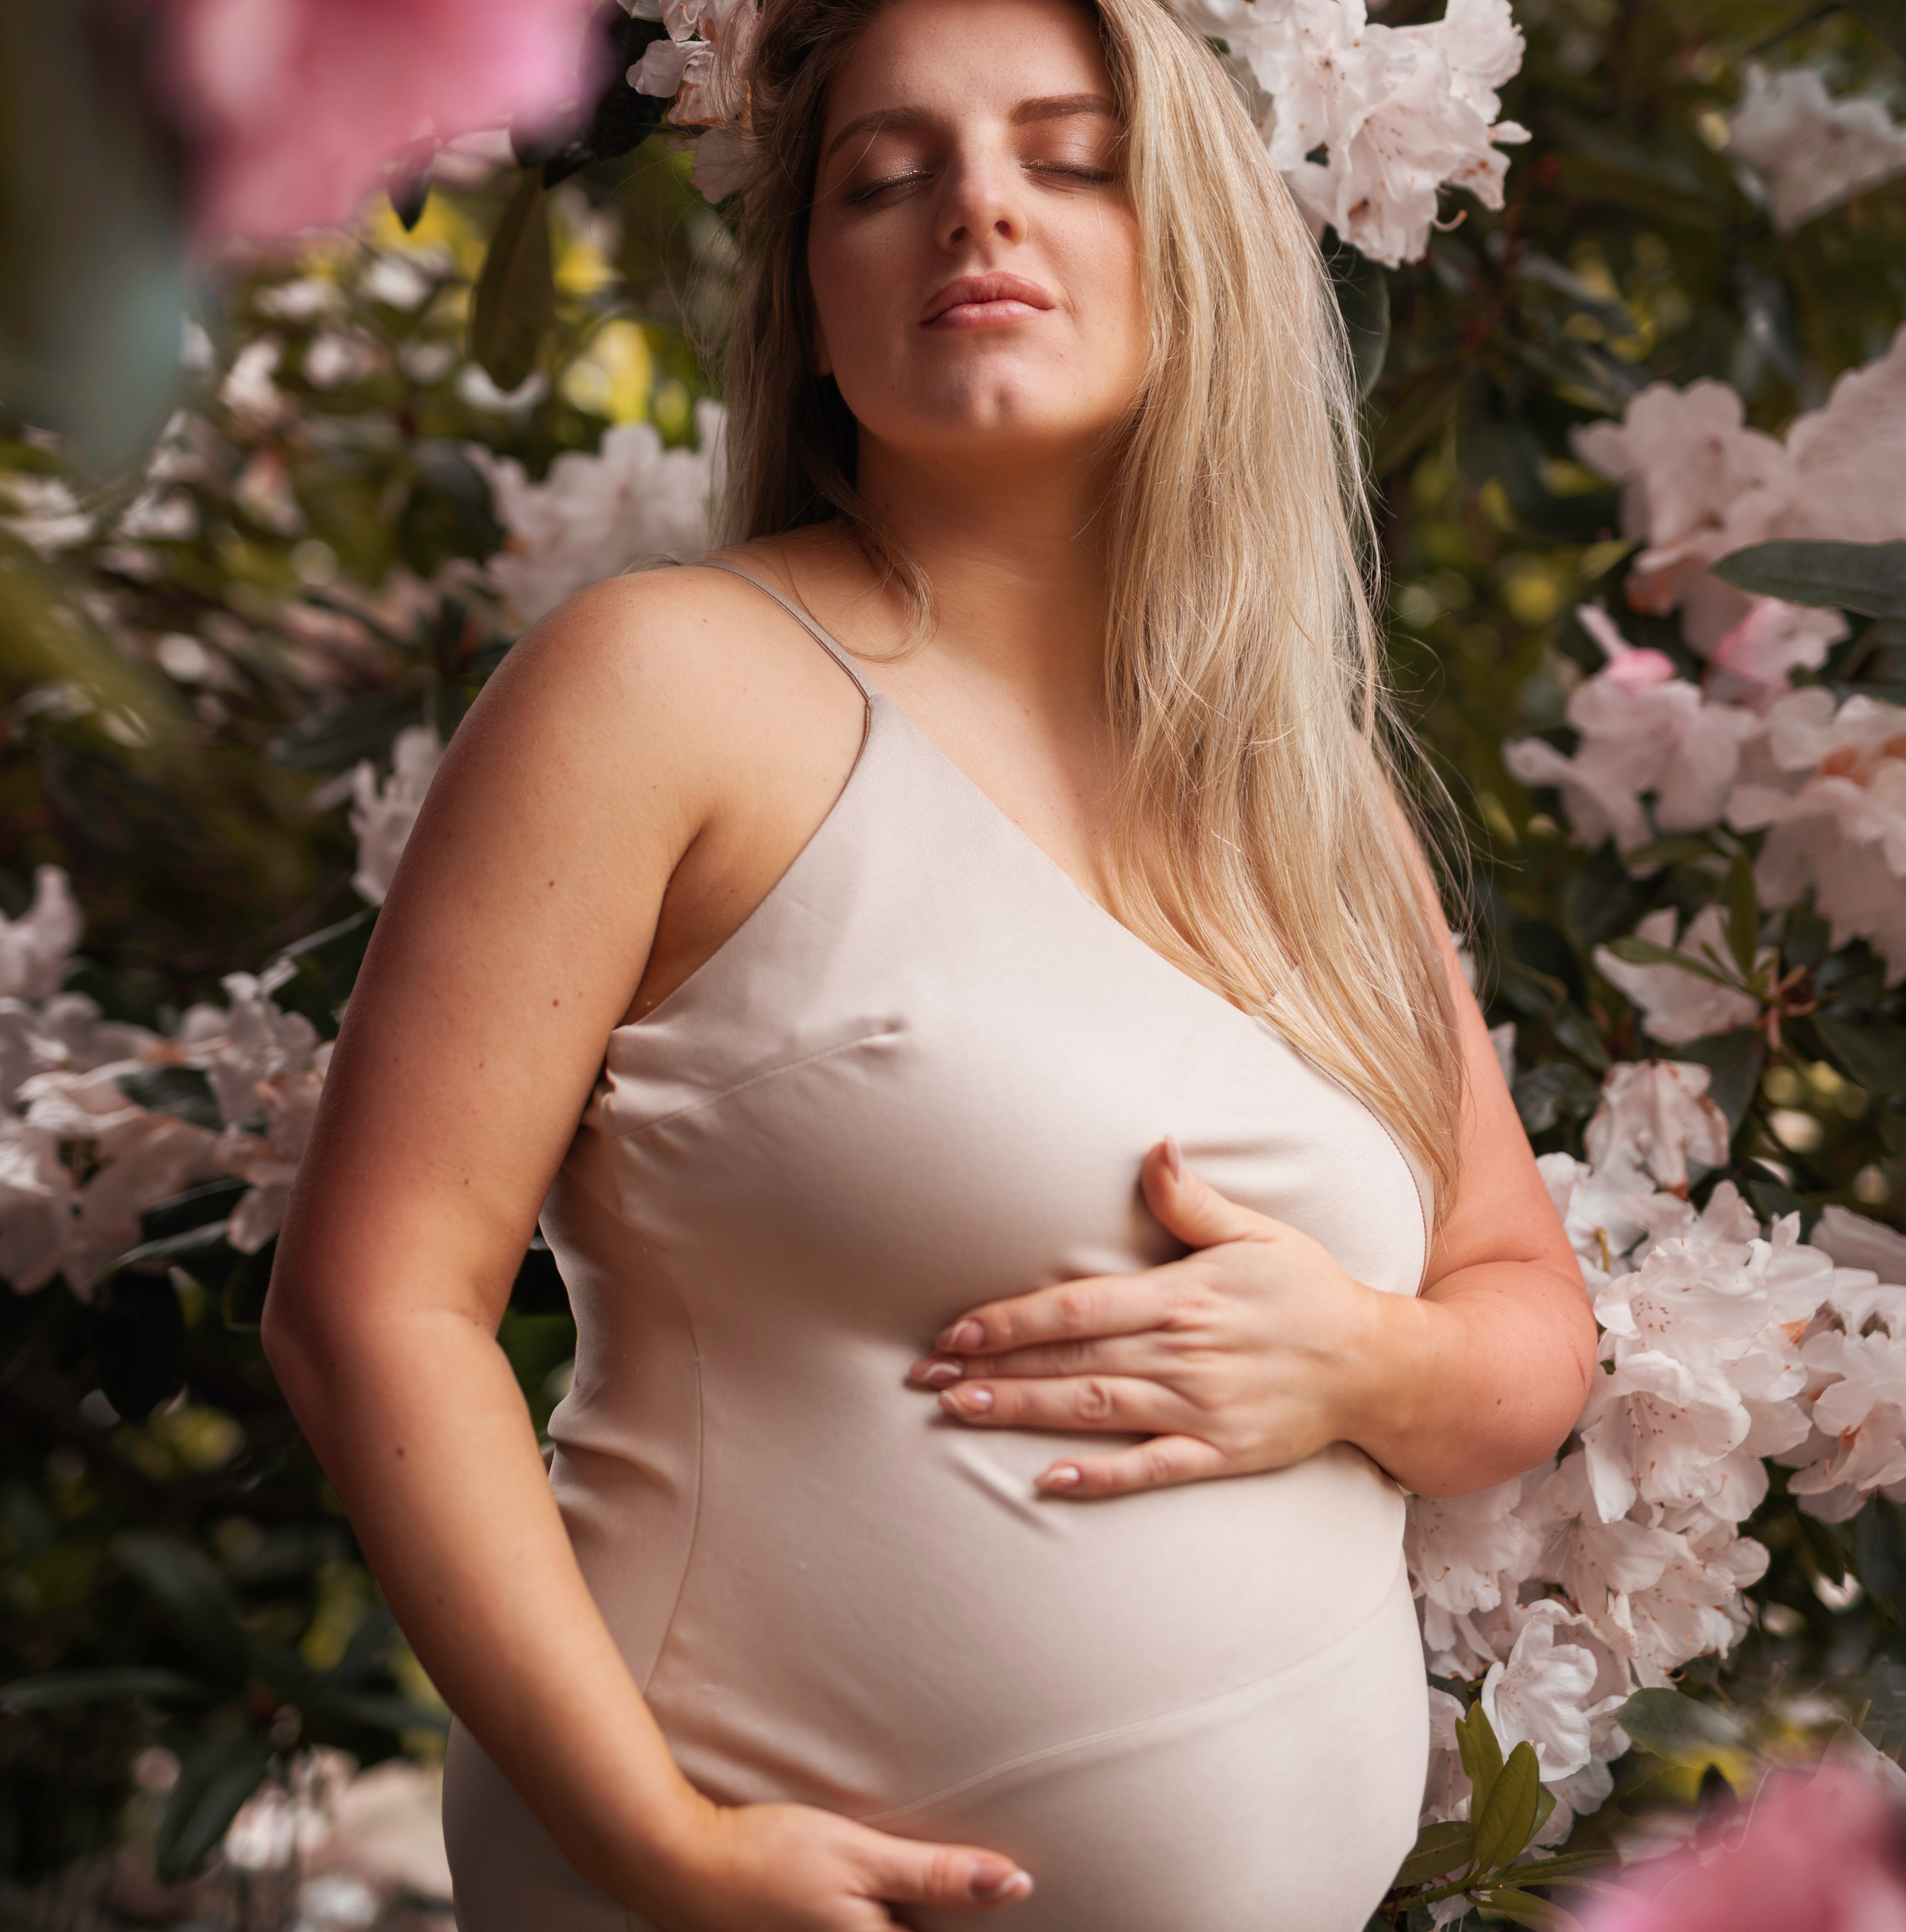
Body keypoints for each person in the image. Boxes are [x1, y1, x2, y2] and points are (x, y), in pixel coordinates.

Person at [262, 0, 1597, 1924]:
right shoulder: (660, 686)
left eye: (1065, 159)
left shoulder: (1305, 796)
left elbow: (1518, 1311)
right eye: (886, 180)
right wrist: (663, 1845)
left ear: (1193, 249)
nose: (975, 211)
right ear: (808, 304)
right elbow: (370, 1305)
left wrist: (1364, 1356)